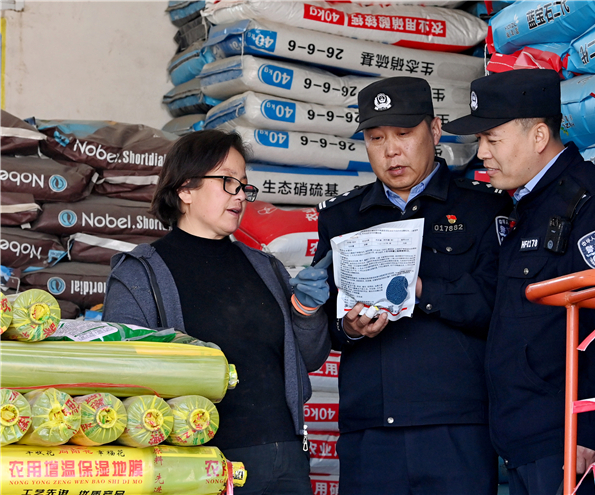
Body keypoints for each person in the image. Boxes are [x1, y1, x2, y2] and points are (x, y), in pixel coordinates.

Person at [442, 69, 595, 495]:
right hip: (527, 440)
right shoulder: (526, 206)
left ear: (538, 136)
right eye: (480, 141)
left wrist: (593, 427)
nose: (482, 154)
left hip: (569, 441)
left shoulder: (590, 201)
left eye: (492, 139)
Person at [312, 76, 513, 495]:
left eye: (404, 133)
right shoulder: (342, 217)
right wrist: (350, 328)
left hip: (455, 424)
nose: (391, 150)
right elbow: (324, 320)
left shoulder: (483, 206)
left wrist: (422, 290)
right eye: (376, 138)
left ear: (435, 130)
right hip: (370, 429)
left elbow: (499, 306)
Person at [102, 129, 331, 495]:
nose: (240, 194)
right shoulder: (140, 274)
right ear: (185, 189)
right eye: (227, 181)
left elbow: (309, 358)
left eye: (243, 185)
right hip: (197, 466)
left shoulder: (266, 268)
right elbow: (123, 376)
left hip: (285, 460)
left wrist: (307, 311)